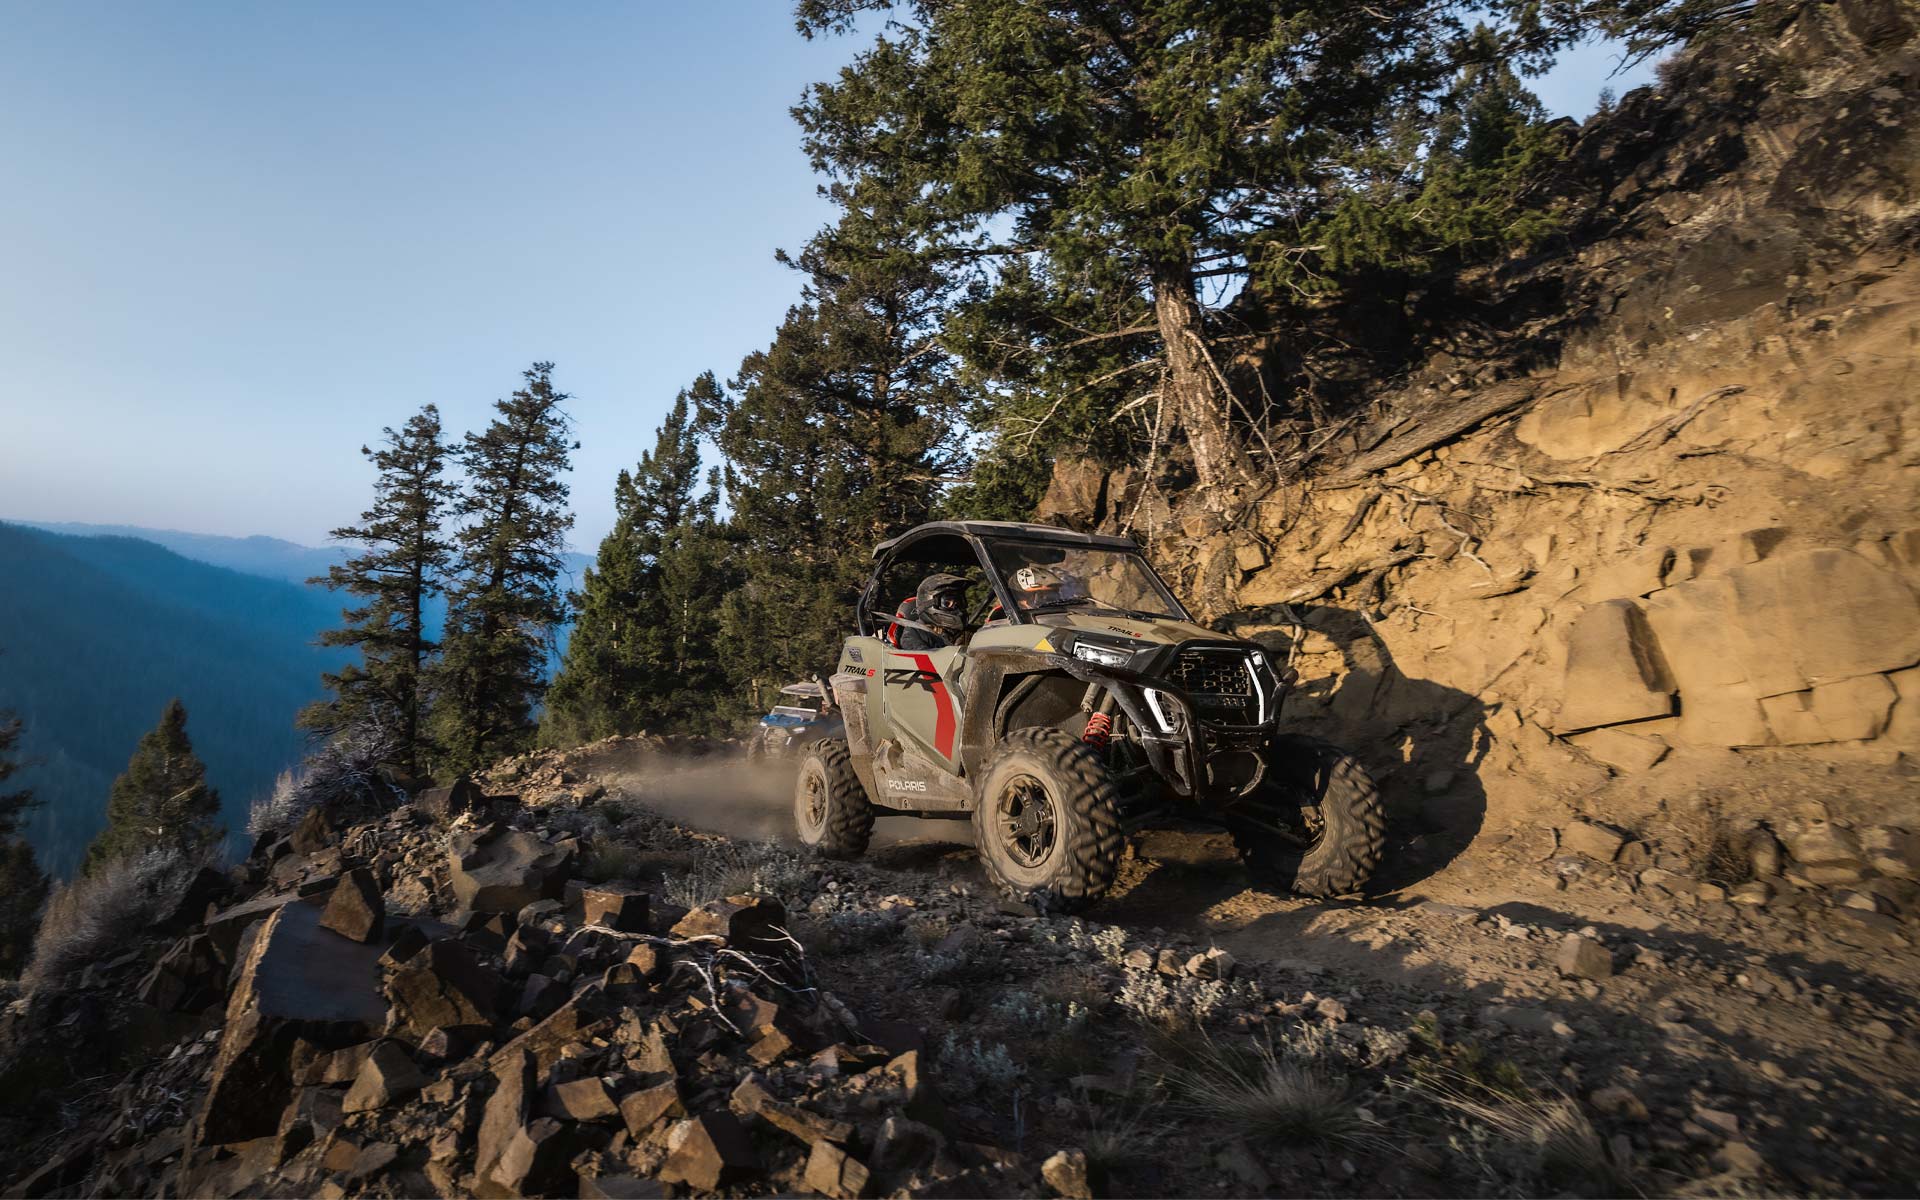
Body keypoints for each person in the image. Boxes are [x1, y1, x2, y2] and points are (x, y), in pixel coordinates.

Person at [887, 573, 968, 650]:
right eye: (947, 603)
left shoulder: (966, 633)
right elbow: (923, 658)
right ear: (930, 604)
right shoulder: (914, 634)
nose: (957, 607)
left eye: (960, 601)